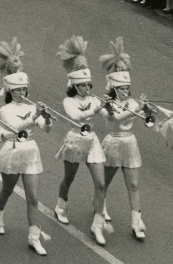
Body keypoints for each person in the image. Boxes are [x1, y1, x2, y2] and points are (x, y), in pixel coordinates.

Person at [0, 38, 51, 255]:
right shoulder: (5, 110)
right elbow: (15, 127)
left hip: (31, 152)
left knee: (33, 198)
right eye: (18, 90)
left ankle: (34, 236)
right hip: (14, 151)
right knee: (7, 189)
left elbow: (45, 129)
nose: (23, 93)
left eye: (25, 89)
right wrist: (35, 116)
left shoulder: (31, 107)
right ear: (10, 91)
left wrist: (46, 119)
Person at [53, 36, 111, 246]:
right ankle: (60, 205)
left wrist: (112, 108)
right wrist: (96, 108)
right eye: (84, 85)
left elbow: (107, 115)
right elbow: (76, 117)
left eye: (89, 84)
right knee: (69, 178)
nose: (88, 88)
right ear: (75, 86)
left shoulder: (95, 99)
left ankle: (97, 223)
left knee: (101, 181)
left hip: (92, 141)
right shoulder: (68, 101)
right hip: (75, 140)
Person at [97, 38, 147, 241]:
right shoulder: (107, 105)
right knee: (104, 183)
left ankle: (136, 221)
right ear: (114, 89)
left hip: (130, 143)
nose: (126, 92)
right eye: (122, 89)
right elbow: (116, 119)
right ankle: (100, 207)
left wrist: (145, 109)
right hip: (113, 143)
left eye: (128, 88)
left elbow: (142, 116)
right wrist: (136, 108)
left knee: (133, 184)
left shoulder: (134, 103)